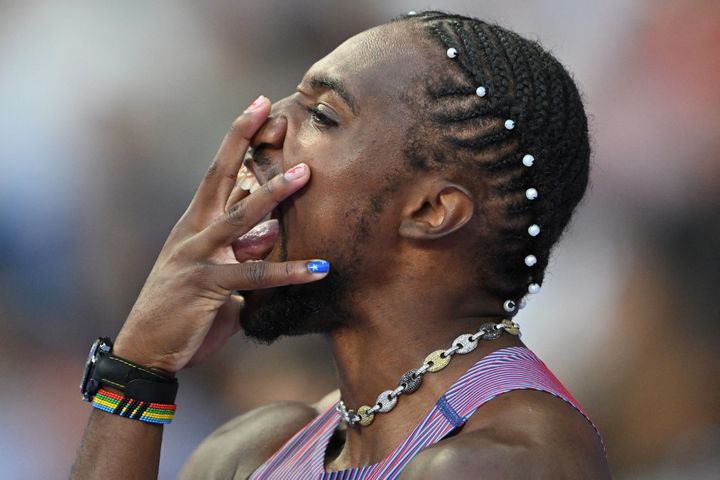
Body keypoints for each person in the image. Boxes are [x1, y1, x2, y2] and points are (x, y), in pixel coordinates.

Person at [71, 11, 610, 479]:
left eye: (323, 115)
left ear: (431, 211)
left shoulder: (500, 464)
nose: (263, 127)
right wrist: (139, 368)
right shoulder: (254, 451)